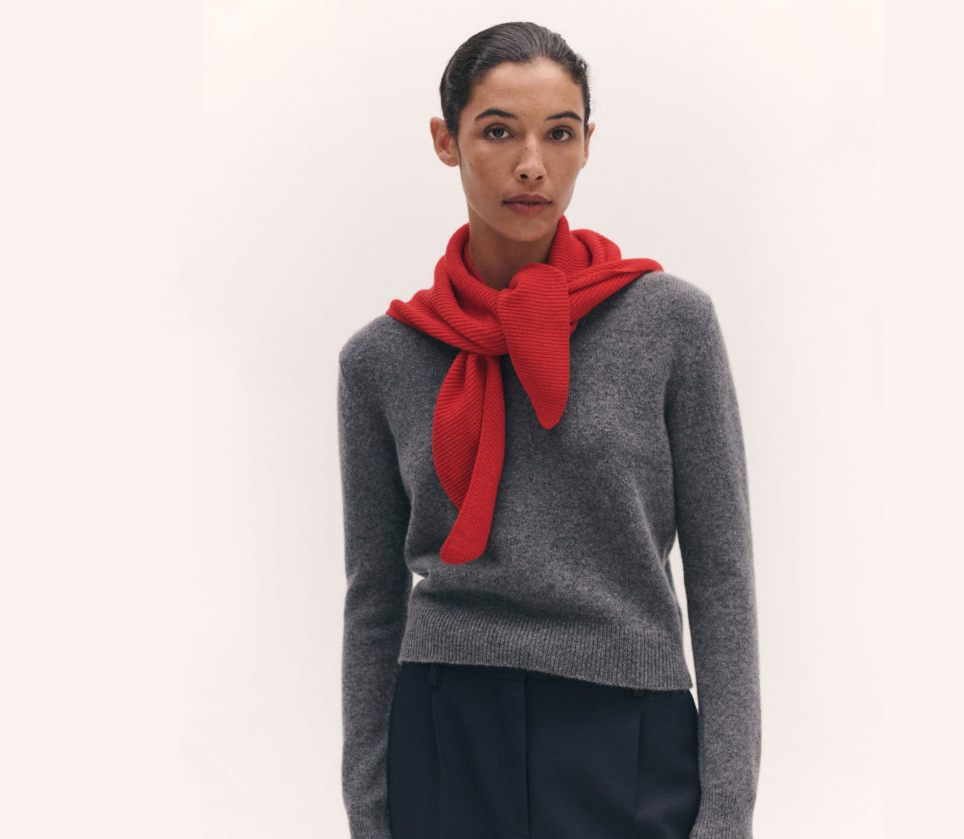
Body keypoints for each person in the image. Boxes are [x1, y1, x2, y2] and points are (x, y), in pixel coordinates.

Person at [337, 21, 761, 839]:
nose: (532, 163)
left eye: (559, 133)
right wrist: (369, 806)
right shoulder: (382, 359)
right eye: (499, 131)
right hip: (446, 727)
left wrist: (728, 809)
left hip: (629, 731)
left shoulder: (671, 324)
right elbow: (372, 599)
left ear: (587, 143)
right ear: (446, 141)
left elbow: (723, 579)